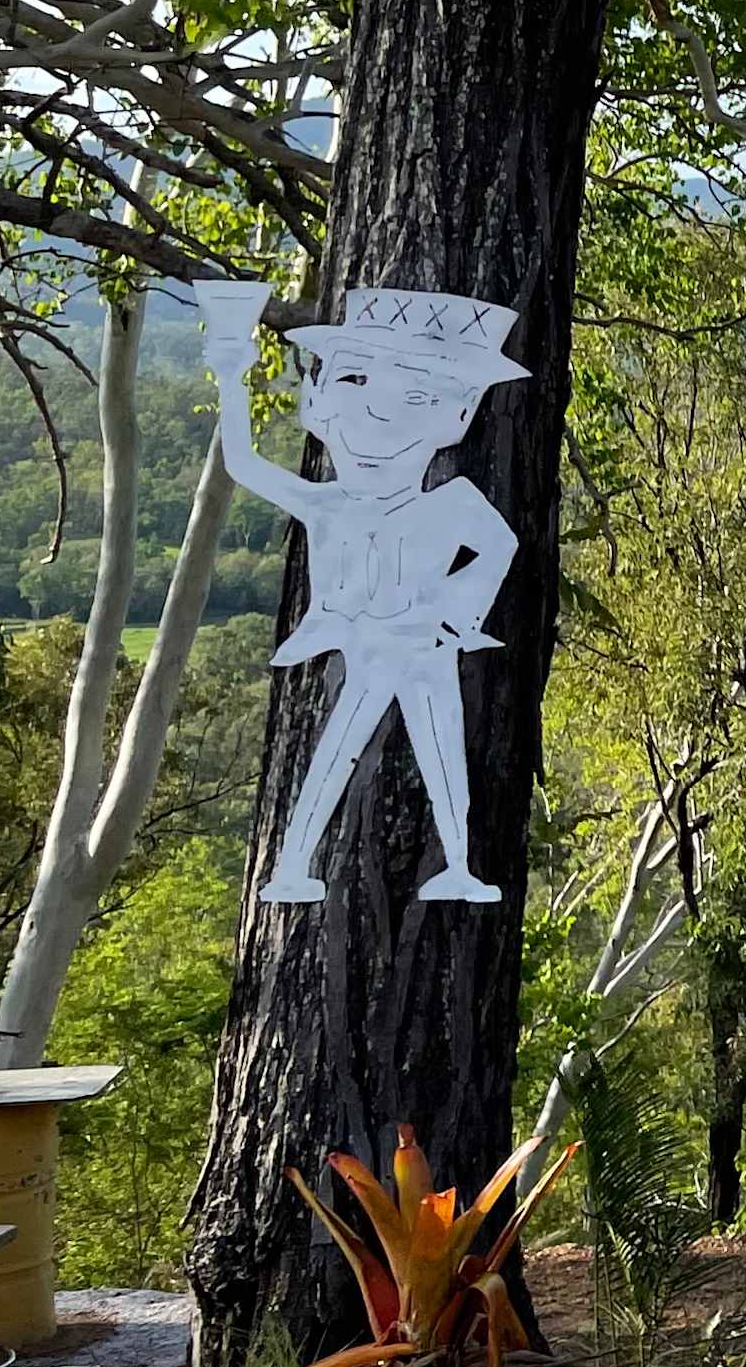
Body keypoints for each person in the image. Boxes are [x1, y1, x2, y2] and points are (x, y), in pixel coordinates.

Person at [194, 282, 526, 906]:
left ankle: (458, 865)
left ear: (458, 416)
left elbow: (500, 547)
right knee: (338, 750)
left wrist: (451, 611)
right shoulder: (327, 505)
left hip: (425, 650)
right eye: (355, 381)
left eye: (418, 397)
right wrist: (232, 369)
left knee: (443, 753)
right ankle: (294, 866)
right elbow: (241, 460)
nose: (379, 415)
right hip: (370, 649)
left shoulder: (453, 504)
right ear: (316, 403)